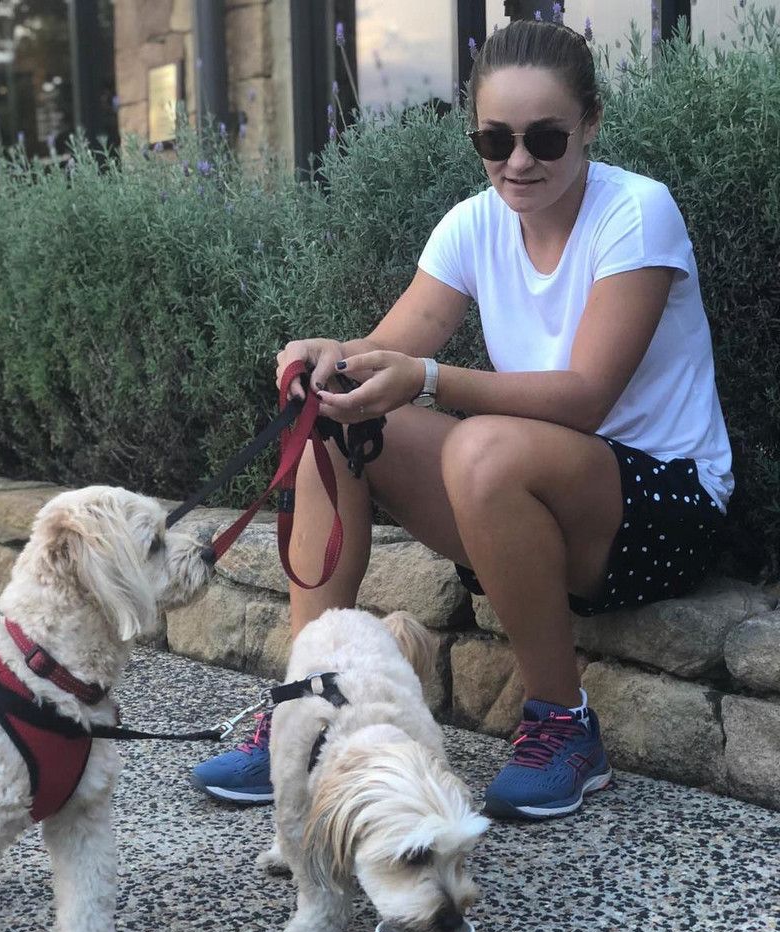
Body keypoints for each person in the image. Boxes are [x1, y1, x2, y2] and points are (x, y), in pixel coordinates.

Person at [190, 19, 733, 819]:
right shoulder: (473, 223)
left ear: (591, 123)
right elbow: (388, 350)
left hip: (660, 511)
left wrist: (431, 379)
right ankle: (307, 708)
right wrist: (329, 358)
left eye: (546, 138)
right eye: (495, 139)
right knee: (335, 417)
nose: (519, 161)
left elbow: (587, 396)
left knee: (484, 450)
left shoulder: (636, 213)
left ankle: (564, 725)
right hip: (522, 509)